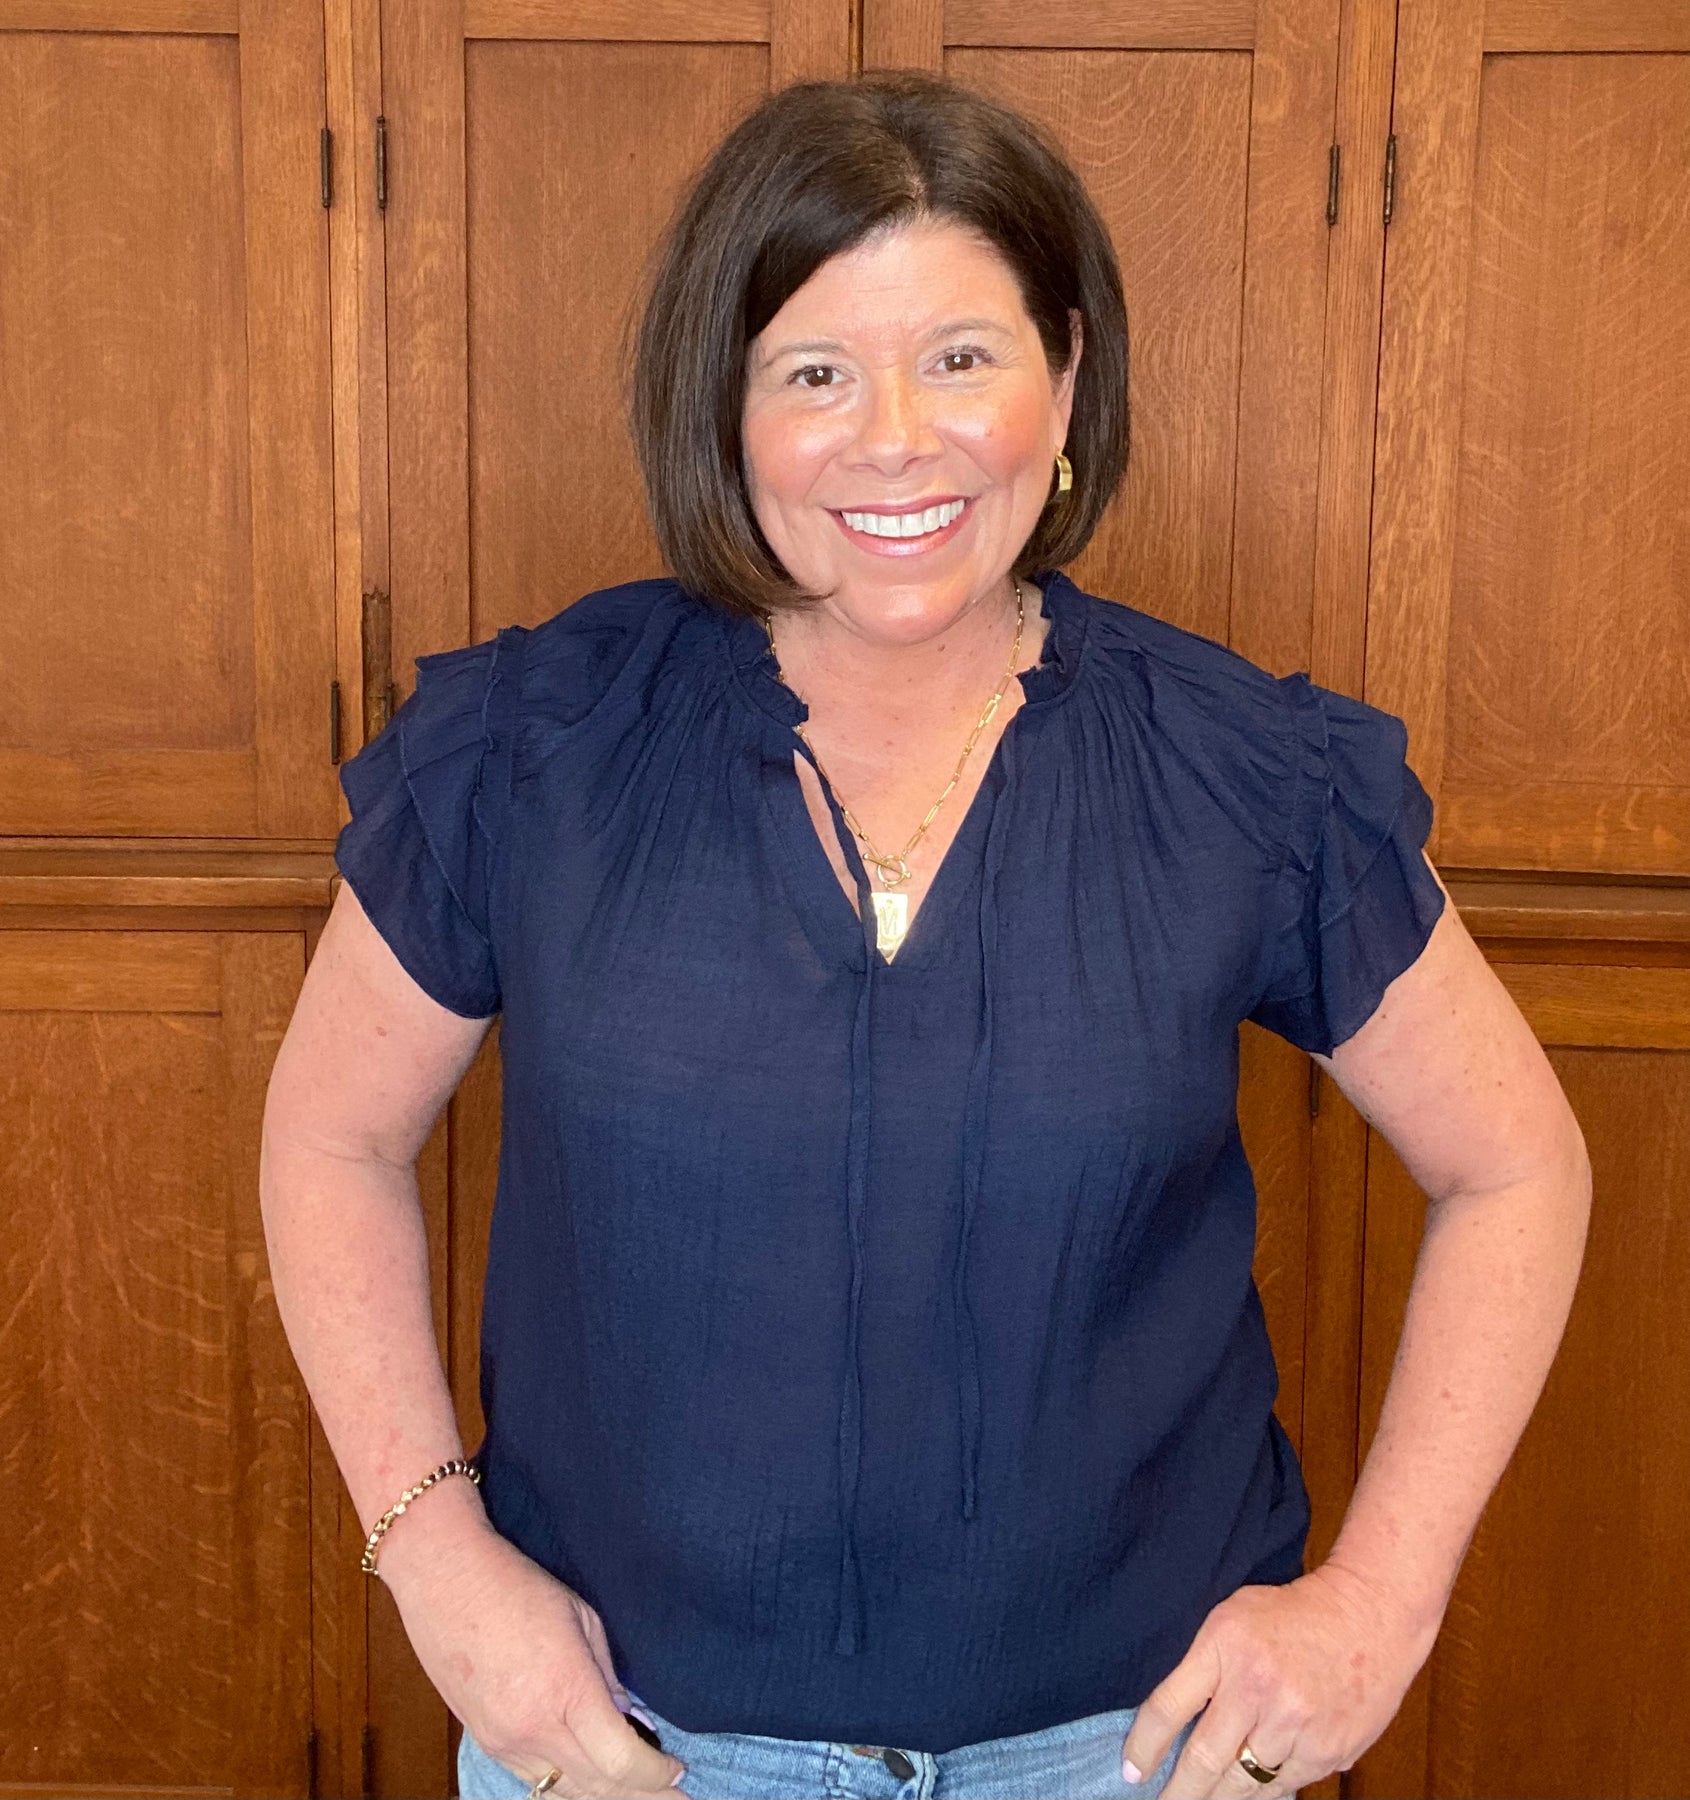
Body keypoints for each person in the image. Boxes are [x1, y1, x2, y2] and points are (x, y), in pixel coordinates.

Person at [259, 70, 1591, 1800]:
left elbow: (1515, 1167)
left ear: (1067, 376)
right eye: (814, 372)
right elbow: (333, 1136)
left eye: (960, 357)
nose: (894, 438)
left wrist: (1379, 1602)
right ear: (722, 407)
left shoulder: (1247, 777)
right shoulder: (530, 751)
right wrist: (436, 1563)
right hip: (626, 1746)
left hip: (1132, 1753)